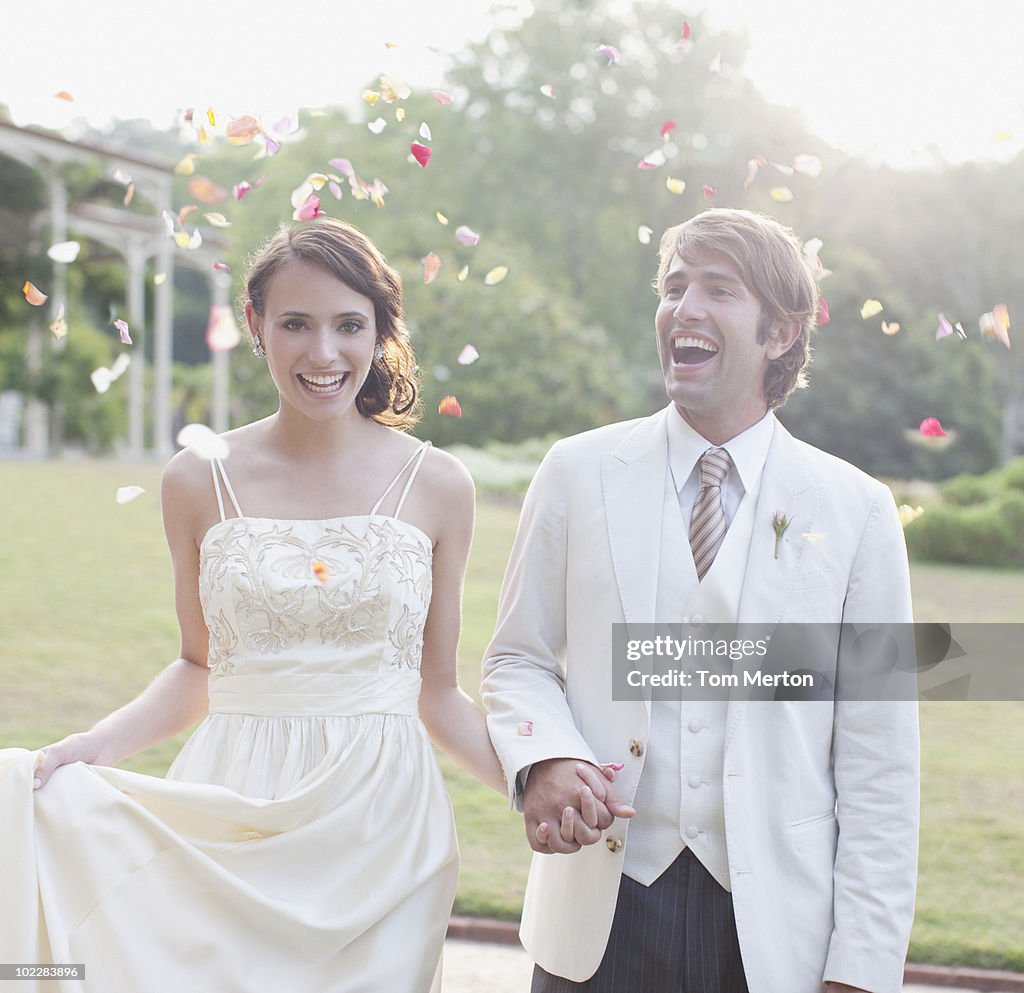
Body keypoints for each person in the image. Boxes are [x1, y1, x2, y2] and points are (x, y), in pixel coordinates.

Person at [0, 217, 506, 993]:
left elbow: (438, 692)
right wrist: (91, 746)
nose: (323, 353)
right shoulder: (197, 479)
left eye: (349, 325)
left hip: (382, 826)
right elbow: (198, 665)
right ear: (255, 326)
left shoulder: (438, 486)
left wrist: (535, 785)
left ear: (380, 332)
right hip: (231, 808)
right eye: (296, 323)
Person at [481, 208, 919, 993]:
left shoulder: (856, 509)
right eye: (674, 287)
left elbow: (881, 758)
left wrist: (862, 967)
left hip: (771, 937)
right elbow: (517, 658)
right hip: (597, 920)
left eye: (718, 289)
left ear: (781, 332)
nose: (684, 308)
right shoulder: (576, 472)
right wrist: (545, 753)